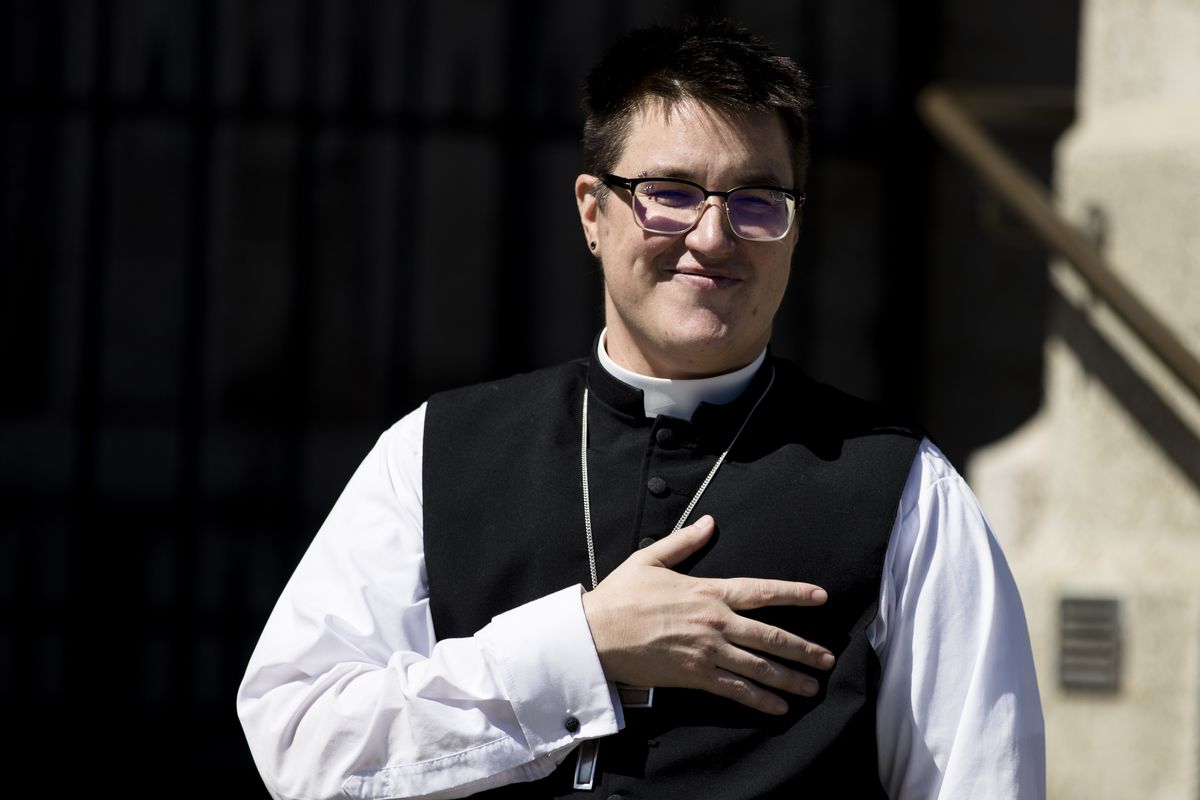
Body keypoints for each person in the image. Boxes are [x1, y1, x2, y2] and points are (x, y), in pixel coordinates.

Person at [237, 19, 1045, 799]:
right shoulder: (433, 451)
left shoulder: (905, 489)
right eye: (669, 193)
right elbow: (300, 741)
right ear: (593, 210)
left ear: (796, 231)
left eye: (758, 201)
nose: (714, 235)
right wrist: (581, 645)